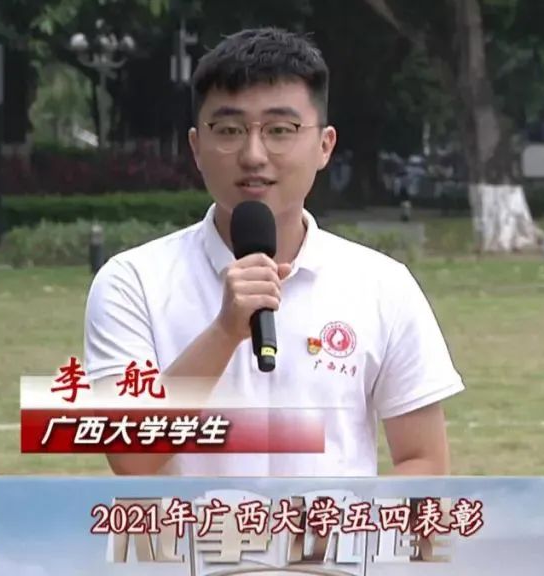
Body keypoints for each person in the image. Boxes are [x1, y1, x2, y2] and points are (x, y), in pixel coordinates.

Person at [83, 27, 464, 476]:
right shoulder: (132, 283)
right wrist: (224, 331)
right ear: (196, 147)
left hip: (333, 527)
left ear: (324, 146)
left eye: (281, 130)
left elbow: (424, 460)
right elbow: (130, 457)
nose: (253, 154)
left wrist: (333, 517)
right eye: (229, 130)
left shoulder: (383, 286)